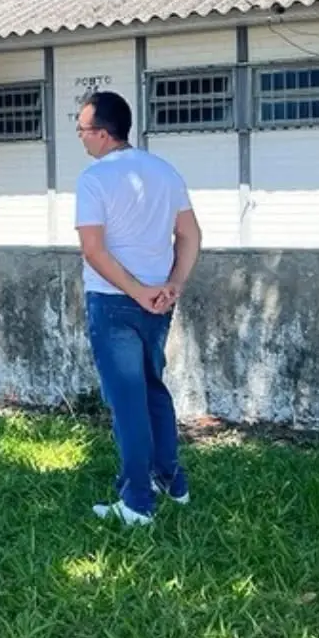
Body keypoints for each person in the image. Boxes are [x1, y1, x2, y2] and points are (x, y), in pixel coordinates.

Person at [74, 91, 202, 526]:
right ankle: (171, 481)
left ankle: (137, 502)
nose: (82, 139)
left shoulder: (94, 180)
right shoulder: (165, 171)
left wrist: (136, 291)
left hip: (115, 303)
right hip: (158, 301)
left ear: (104, 133)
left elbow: (92, 250)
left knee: (128, 401)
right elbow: (190, 234)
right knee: (152, 388)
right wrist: (172, 285)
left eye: (83, 131)